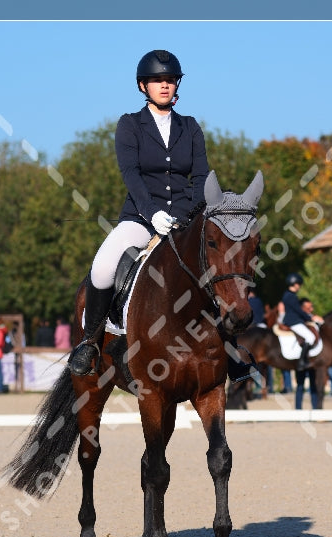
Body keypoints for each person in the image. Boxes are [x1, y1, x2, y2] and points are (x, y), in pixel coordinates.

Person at [67, 49, 209, 376]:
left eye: (170, 80)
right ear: (143, 86)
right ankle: (90, 342)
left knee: (222, 264)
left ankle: (231, 346)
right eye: (157, 80)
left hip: (186, 221)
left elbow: (201, 176)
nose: (164, 85)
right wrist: (153, 213)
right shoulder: (130, 125)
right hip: (142, 219)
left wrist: (188, 214)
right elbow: (131, 174)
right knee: (102, 268)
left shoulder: (190, 127)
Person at [280, 273, 325, 370]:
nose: (299, 286)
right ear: (295, 284)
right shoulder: (290, 296)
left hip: (295, 320)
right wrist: (311, 318)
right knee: (310, 337)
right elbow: (299, 310)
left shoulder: (289, 295)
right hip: (293, 321)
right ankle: (302, 361)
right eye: (299, 284)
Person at [293, 297, 321, 409]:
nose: (311, 309)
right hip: (300, 357)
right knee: (300, 385)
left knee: (313, 385)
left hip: (312, 359)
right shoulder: (299, 320)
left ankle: (315, 408)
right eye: (308, 307)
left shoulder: (312, 319)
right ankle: (298, 409)